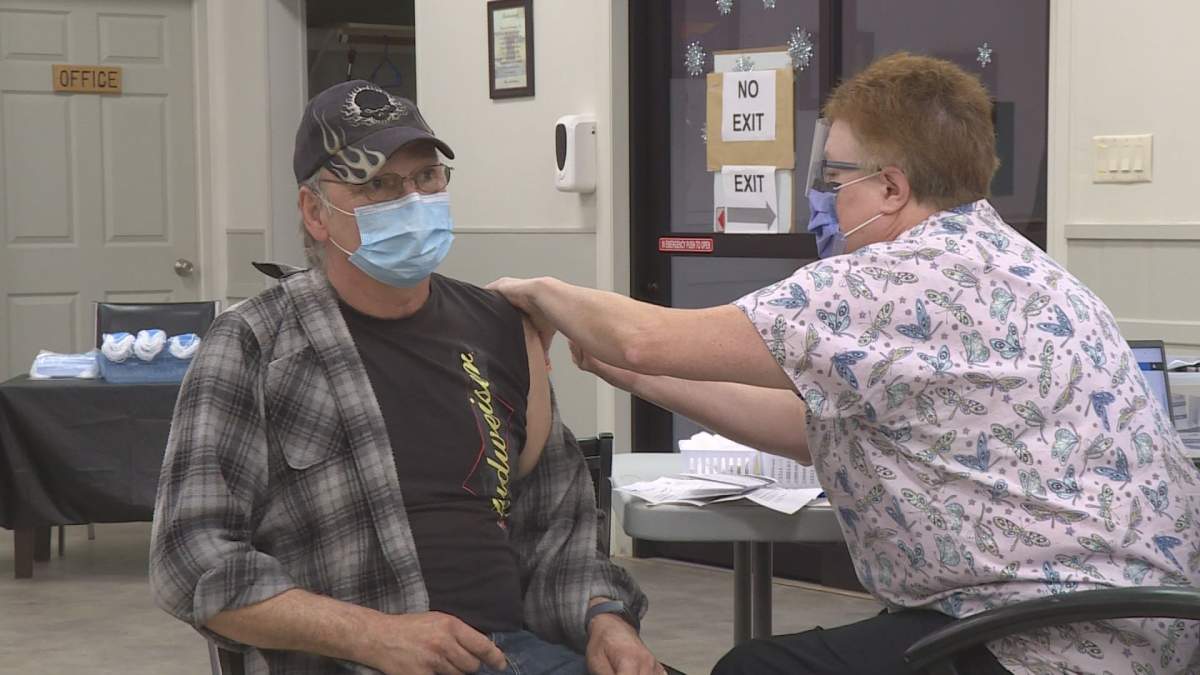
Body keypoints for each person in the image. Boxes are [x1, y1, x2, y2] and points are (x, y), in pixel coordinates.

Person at [489, 54, 1200, 675]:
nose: (824, 199)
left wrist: (539, 293)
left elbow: (650, 336)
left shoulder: (899, 278)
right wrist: (640, 380)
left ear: (891, 188)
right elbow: (809, 424)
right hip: (1141, 626)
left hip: (1042, 642)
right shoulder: (1019, 265)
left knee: (751, 667)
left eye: (835, 177)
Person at [150, 80, 664, 675]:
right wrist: (372, 636)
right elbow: (191, 557)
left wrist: (604, 618)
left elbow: (557, 524)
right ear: (315, 211)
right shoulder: (256, 344)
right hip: (350, 661)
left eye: (426, 178)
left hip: (513, 652)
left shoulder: (501, 328)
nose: (412, 200)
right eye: (377, 185)